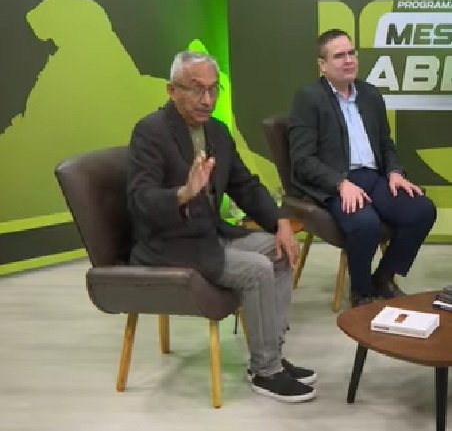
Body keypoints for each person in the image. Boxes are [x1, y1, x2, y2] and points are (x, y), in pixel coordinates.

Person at [127, 51, 316, 403]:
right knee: (258, 269)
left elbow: (244, 185)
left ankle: (270, 355)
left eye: (214, 89)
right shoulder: (150, 132)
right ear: (171, 90)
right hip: (170, 244)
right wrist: (183, 194)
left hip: (210, 235)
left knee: (278, 250)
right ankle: (266, 372)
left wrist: (280, 222)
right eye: (197, 89)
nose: (207, 99)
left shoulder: (216, 130)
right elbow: (140, 200)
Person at [288, 29, 437, 307]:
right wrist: (340, 184)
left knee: (422, 211)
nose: (348, 60)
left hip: (374, 177)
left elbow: (385, 143)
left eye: (351, 53)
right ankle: (361, 292)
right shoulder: (309, 99)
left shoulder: (370, 94)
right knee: (364, 223)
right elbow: (302, 159)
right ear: (322, 65)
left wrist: (394, 172)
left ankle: (383, 278)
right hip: (335, 183)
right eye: (339, 56)